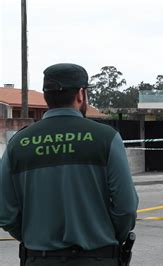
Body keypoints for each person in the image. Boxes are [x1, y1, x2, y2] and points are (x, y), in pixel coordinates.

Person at [0, 63, 139, 265]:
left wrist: (34, 237)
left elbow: (5, 212)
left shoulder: (18, 143)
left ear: (46, 96)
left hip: (39, 259)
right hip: (98, 258)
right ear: (81, 94)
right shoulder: (106, 138)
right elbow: (125, 208)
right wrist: (106, 237)